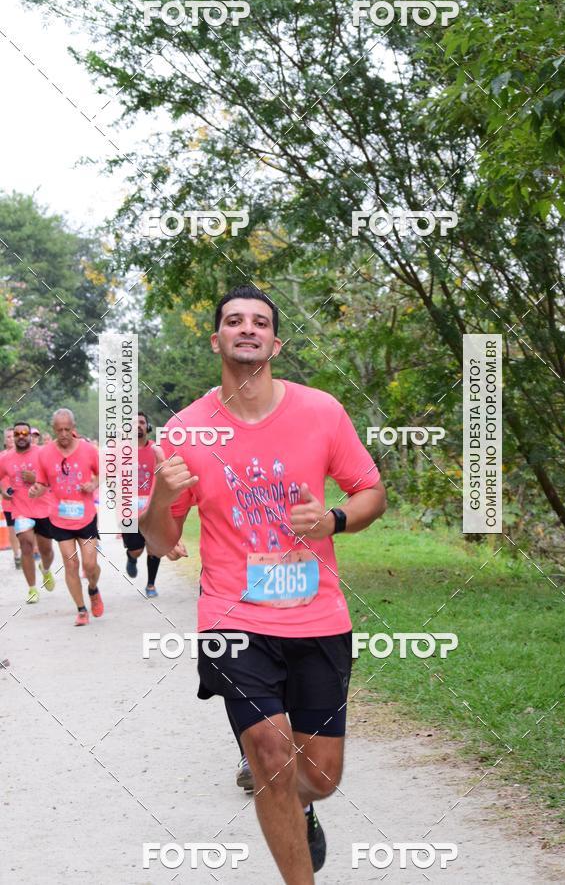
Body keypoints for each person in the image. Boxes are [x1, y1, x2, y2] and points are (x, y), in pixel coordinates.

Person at [140, 284, 386, 882]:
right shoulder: (187, 430)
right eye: (233, 321)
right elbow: (157, 541)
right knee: (271, 755)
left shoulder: (321, 411)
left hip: (317, 613)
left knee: (320, 778)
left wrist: (331, 520)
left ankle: (300, 808)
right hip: (233, 614)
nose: (246, 328)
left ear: (275, 341)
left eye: (258, 322)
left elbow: (371, 492)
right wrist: (162, 497)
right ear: (217, 338)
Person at [30, 408, 104, 627]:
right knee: (71, 564)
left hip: (86, 516)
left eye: (67, 429)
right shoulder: (44, 453)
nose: (63, 434)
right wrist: (36, 490)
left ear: (73, 428)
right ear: (53, 429)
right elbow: (43, 483)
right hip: (60, 518)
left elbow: (102, 473)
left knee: (90, 564)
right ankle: (81, 610)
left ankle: (93, 589)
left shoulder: (88, 450)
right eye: (59, 429)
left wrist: (93, 484)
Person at [0, 422, 55, 604]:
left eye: (25, 433)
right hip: (21, 509)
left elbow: (54, 476)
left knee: (46, 550)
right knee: (26, 545)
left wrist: (36, 479)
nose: (21, 436)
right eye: (17, 434)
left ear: (30, 435)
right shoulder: (6, 458)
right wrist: (4, 492)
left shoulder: (42, 453)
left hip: (44, 508)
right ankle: (32, 589)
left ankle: (45, 569)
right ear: (13, 437)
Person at [123, 412, 162, 598]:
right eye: (133, 423)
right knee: (137, 549)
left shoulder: (157, 450)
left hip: (153, 508)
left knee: (154, 548)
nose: (138, 425)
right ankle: (131, 557)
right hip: (129, 510)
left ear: (148, 427)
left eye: (141, 422)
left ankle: (151, 584)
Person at [1, 427, 22, 569]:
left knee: (27, 528)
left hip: (23, 500)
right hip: (8, 500)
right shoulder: (1, 456)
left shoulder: (22, 455)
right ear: (4, 439)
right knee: (12, 529)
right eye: (7, 437)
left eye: (11, 436)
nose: (10, 439)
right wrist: (2, 491)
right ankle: (17, 555)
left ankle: (28, 552)